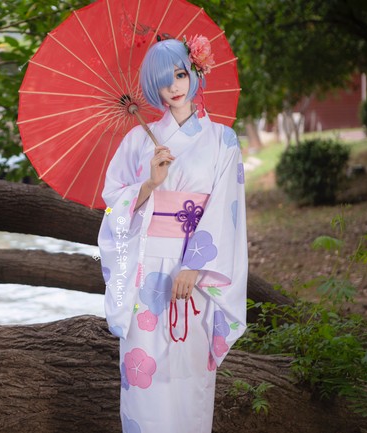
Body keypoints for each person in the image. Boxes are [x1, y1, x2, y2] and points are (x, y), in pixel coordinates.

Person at [97, 37, 248, 433]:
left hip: (194, 271)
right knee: (144, 386)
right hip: (145, 271)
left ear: (195, 73)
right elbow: (112, 206)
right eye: (163, 81)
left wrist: (194, 266)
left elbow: (227, 209)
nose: (174, 87)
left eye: (180, 74)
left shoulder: (223, 140)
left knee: (188, 380)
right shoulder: (137, 142)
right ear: (154, 89)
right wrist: (149, 183)